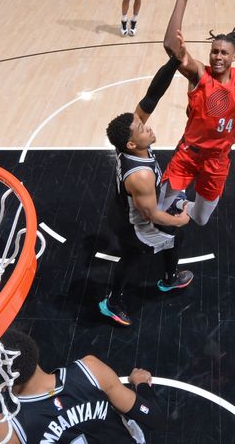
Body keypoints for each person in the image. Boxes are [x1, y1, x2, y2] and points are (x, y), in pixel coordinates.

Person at [157, 0, 235, 226]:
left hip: (217, 160)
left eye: (224, 53)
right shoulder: (199, 73)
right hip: (188, 153)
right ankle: (157, 235)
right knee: (158, 208)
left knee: (200, 219)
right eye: (214, 51)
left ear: (233, 57)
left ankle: (183, 203)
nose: (218, 56)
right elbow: (169, 45)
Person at [100, 56, 192, 326]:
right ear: (131, 143)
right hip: (137, 224)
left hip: (122, 209)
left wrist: (174, 61)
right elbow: (152, 214)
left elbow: (153, 95)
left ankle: (169, 278)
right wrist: (180, 219)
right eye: (141, 128)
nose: (147, 125)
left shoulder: (130, 141)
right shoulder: (141, 175)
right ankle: (113, 302)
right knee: (159, 241)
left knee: (162, 242)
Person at [0, 329, 165, 443]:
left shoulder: (3, 429)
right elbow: (154, 418)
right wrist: (141, 384)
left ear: (1, 384)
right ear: (33, 349)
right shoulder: (90, 370)